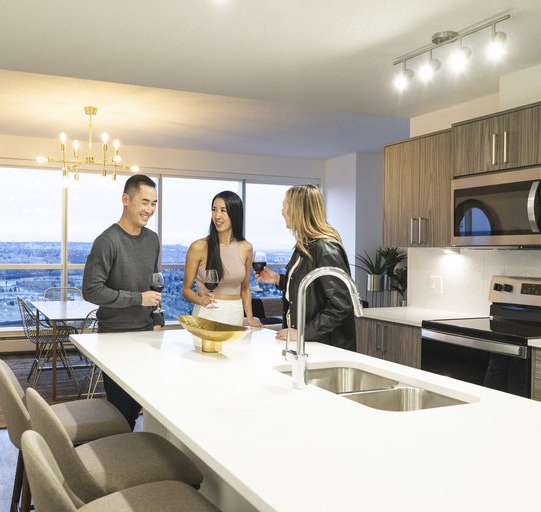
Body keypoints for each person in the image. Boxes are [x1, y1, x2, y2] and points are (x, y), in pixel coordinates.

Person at [82, 174, 163, 429]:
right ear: (126, 200)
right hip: (114, 337)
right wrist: (138, 299)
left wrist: (158, 318)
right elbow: (91, 291)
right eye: (144, 202)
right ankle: (116, 452)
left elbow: (155, 284)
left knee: (142, 406)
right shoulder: (107, 241)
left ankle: (133, 450)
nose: (149, 209)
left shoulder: (152, 240)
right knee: (121, 413)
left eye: (154, 203)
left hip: (146, 336)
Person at [255, 184, 356, 351]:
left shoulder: (325, 248)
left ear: (297, 209)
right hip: (308, 344)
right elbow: (310, 287)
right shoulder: (304, 246)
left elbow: (341, 305)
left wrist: (303, 333)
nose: (282, 211)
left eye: (284, 205)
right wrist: (278, 280)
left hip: (326, 347)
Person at [182, 191, 262, 328]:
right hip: (207, 314)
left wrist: (250, 318)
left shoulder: (246, 247)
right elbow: (186, 290)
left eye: (223, 211)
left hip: (236, 314)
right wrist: (200, 300)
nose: (217, 215)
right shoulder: (198, 247)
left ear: (235, 214)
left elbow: (245, 289)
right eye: (214, 209)